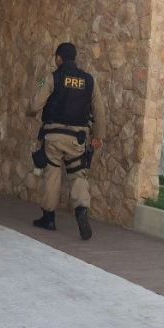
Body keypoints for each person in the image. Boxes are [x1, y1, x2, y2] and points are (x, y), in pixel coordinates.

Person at [26, 43, 106, 240]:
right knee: (78, 173)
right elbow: (99, 110)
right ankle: (81, 209)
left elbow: (35, 104)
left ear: (59, 58)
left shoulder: (53, 77)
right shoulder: (89, 80)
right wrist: (98, 136)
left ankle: (49, 218)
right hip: (77, 139)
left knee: (52, 173)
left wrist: (30, 112)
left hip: (54, 136)